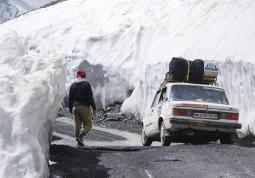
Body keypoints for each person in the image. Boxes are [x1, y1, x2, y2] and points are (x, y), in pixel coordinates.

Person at [68, 69, 96, 146]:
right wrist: (93, 107)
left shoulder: (72, 85)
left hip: (75, 107)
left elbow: (70, 98)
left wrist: (70, 108)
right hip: (84, 107)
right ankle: (81, 135)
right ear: (84, 76)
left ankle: (78, 140)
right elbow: (90, 97)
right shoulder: (86, 84)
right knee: (88, 124)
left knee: (77, 125)